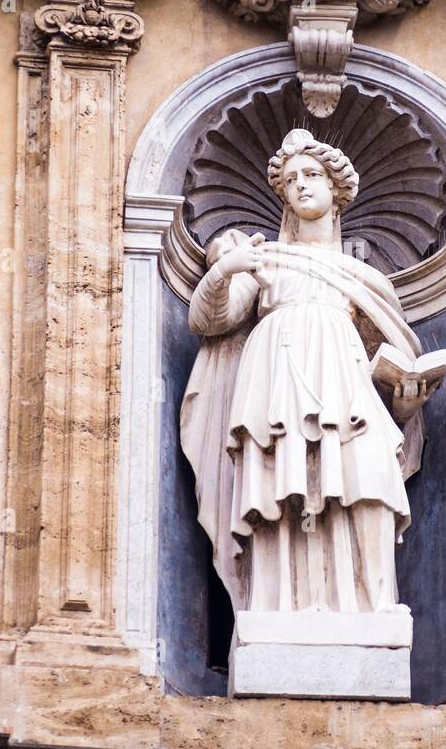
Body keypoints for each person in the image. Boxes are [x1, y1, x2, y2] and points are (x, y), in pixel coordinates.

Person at [180, 128, 428, 617]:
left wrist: (406, 400)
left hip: (345, 381)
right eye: (291, 179)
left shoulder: (367, 279)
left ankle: (376, 604)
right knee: (282, 480)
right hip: (279, 378)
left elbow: (388, 368)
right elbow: (209, 321)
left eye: (312, 175)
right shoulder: (265, 261)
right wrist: (223, 270)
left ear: (336, 191)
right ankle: (275, 606)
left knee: (369, 476)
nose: (301, 185)